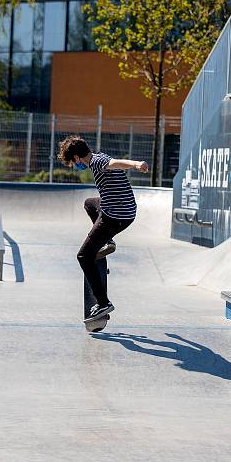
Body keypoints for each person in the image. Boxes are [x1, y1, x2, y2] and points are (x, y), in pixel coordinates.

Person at [57, 135, 149, 323]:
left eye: (73, 163)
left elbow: (115, 163)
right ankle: (108, 241)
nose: (75, 167)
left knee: (84, 256)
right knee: (90, 204)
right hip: (126, 212)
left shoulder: (98, 161)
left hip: (115, 217)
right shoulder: (97, 157)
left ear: (76, 158)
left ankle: (103, 303)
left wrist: (136, 164)